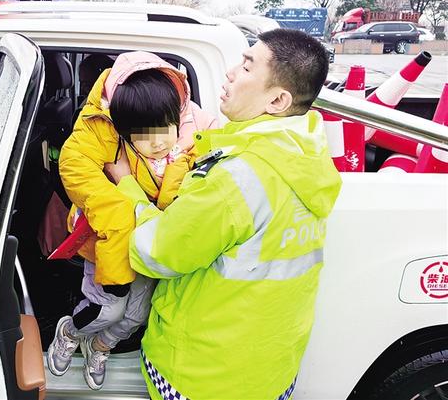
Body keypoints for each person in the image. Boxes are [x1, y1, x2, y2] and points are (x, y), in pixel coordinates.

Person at [105, 29, 343, 400]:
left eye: (247, 67)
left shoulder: (237, 177)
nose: (231, 72)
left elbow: (157, 252)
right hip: (269, 371)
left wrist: (129, 189)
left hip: (203, 376)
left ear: (277, 100)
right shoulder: (307, 156)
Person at [48, 51, 218, 390]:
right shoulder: (104, 129)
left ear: (178, 115)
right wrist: (119, 203)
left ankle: (100, 347)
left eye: (164, 130)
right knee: (107, 310)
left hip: (152, 242)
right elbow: (76, 164)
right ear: (124, 131)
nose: (156, 143)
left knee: (135, 316)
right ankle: (70, 332)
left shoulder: (197, 133)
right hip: (109, 242)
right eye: (142, 135)